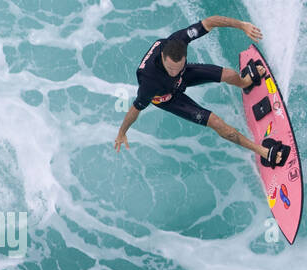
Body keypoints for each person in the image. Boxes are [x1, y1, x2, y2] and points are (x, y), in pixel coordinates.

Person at [113, 16, 291, 167]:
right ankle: (263, 151)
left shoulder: (179, 40)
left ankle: (245, 83)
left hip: (184, 78)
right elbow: (135, 109)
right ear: (162, 57)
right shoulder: (149, 82)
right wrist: (122, 132)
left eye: (178, 66)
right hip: (167, 97)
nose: (173, 71)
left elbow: (210, 22)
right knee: (216, 122)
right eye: (170, 68)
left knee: (229, 74)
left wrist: (242, 25)